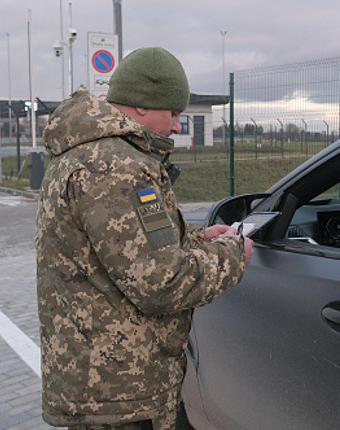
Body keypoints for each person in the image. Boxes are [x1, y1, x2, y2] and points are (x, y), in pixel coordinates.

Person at [36, 47, 254, 430]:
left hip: (103, 384)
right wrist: (232, 254)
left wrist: (197, 240)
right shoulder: (117, 168)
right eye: (174, 113)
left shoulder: (88, 154)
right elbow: (161, 283)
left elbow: (124, 247)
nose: (177, 127)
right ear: (141, 106)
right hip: (122, 395)